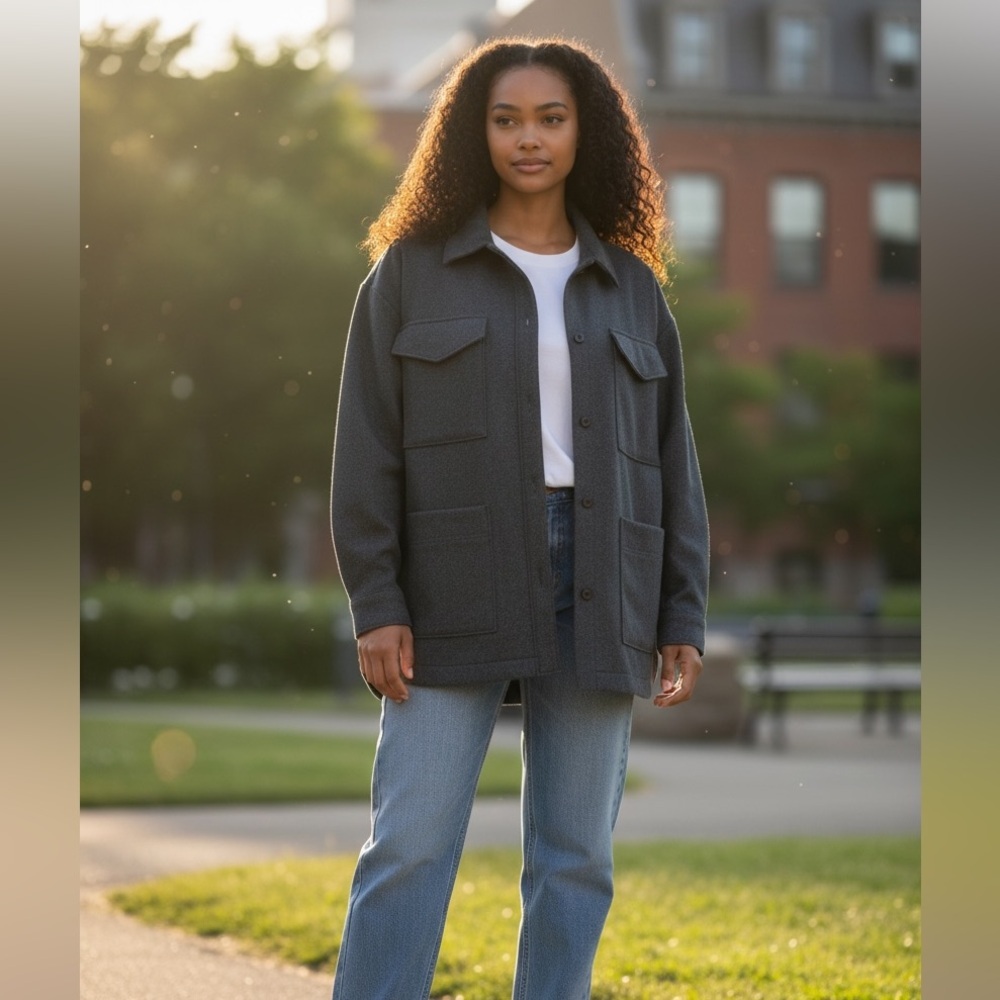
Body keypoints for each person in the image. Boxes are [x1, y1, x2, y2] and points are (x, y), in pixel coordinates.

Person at [329, 35, 709, 999]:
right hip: (450, 581)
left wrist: (681, 613)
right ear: (474, 131)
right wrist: (376, 599)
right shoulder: (411, 272)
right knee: (408, 846)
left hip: (602, 579)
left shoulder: (630, 284)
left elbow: (671, 461)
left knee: (576, 856)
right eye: (505, 120)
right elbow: (366, 445)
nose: (528, 139)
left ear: (589, 133)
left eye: (550, 118)